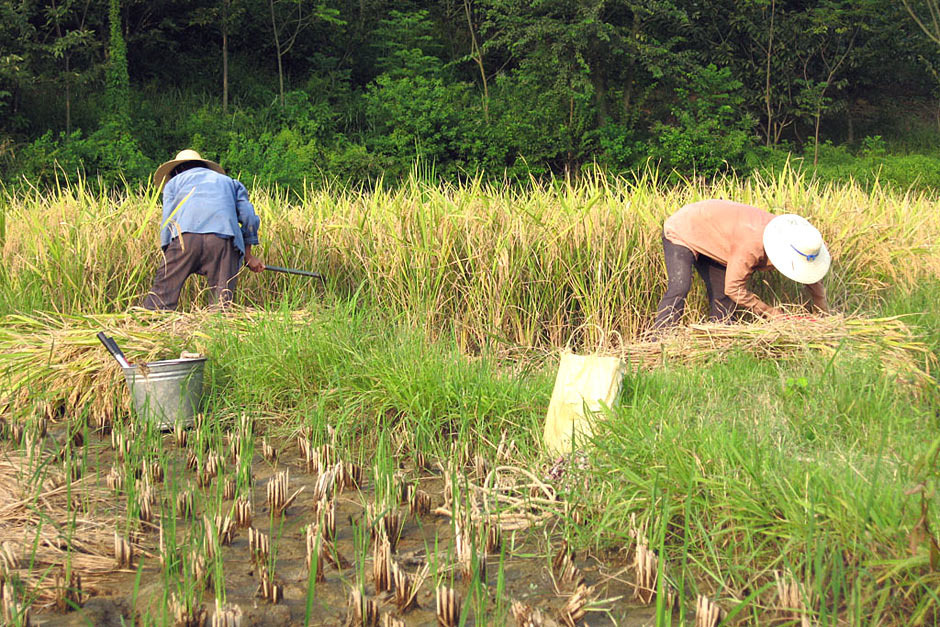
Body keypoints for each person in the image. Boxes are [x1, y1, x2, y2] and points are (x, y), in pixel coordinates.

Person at [651, 199, 831, 330]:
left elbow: (808, 273)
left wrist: (822, 314)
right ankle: (662, 339)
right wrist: (771, 313)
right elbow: (735, 288)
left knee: (722, 294)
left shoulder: (796, 239)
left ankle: (720, 338)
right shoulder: (753, 245)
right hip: (685, 228)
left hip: (718, 237)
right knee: (680, 286)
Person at [142, 149, 265, 310]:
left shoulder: (174, 183)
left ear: (176, 170)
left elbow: (168, 223)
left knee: (159, 302)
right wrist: (248, 255)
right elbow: (249, 217)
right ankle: (217, 332)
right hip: (224, 241)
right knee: (220, 306)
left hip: (184, 239)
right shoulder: (231, 182)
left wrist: (169, 256)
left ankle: (151, 328)